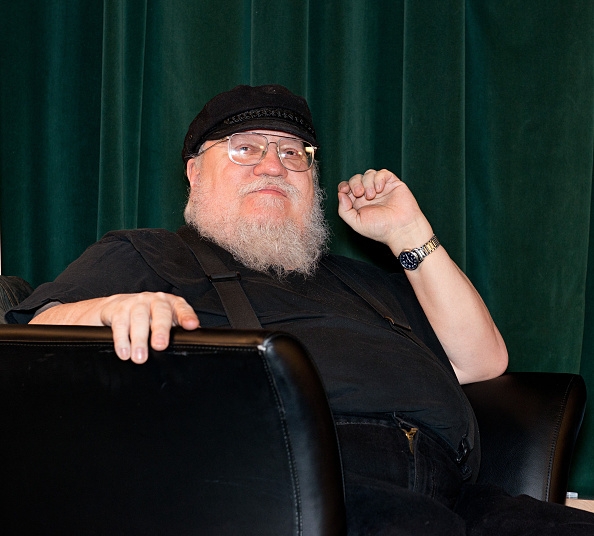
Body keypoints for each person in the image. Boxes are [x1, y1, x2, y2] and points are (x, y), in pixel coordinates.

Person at [8, 84, 593, 535]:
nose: (272, 165)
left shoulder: (365, 282)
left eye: (294, 154)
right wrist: (111, 308)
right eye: (245, 149)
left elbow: (483, 361)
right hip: (296, 485)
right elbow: (29, 329)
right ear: (194, 172)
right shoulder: (149, 254)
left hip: (458, 494)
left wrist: (408, 231)